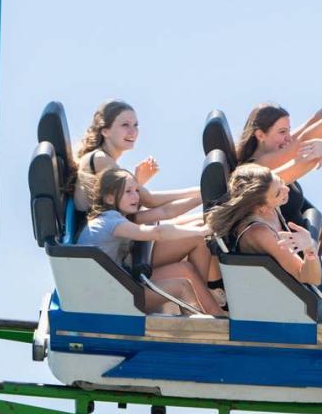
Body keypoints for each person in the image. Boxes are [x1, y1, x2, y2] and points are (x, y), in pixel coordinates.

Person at [73, 100, 225, 301]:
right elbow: (151, 201)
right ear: (105, 130)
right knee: (199, 235)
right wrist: (206, 189)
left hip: (127, 234)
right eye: (125, 125)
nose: (133, 131)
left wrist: (205, 192)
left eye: (136, 125)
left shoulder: (105, 162)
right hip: (122, 249)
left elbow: (154, 211)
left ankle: (205, 295)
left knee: (201, 222)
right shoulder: (101, 160)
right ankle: (205, 297)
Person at [206, 164, 322, 322]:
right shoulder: (260, 233)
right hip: (301, 309)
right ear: (261, 207)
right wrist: (309, 250)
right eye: (278, 192)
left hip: (299, 292)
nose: (287, 190)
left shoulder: (268, 208)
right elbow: (309, 277)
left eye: (281, 182)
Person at [235, 83, 322, 250]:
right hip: (301, 247)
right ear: (260, 135)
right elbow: (302, 142)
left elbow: (306, 127)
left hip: (312, 233)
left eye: (288, 131)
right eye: (282, 132)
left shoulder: (275, 151)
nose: (288, 137)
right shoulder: (257, 168)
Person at [79, 168, 225, 316]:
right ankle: (208, 324)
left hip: (123, 281)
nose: (136, 196)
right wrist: (203, 231)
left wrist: (204, 193)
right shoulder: (110, 221)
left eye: (137, 190)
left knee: (185, 269)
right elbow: (158, 233)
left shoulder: (121, 216)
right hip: (115, 295)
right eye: (128, 191)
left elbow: (166, 212)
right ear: (110, 198)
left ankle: (211, 308)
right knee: (183, 286)